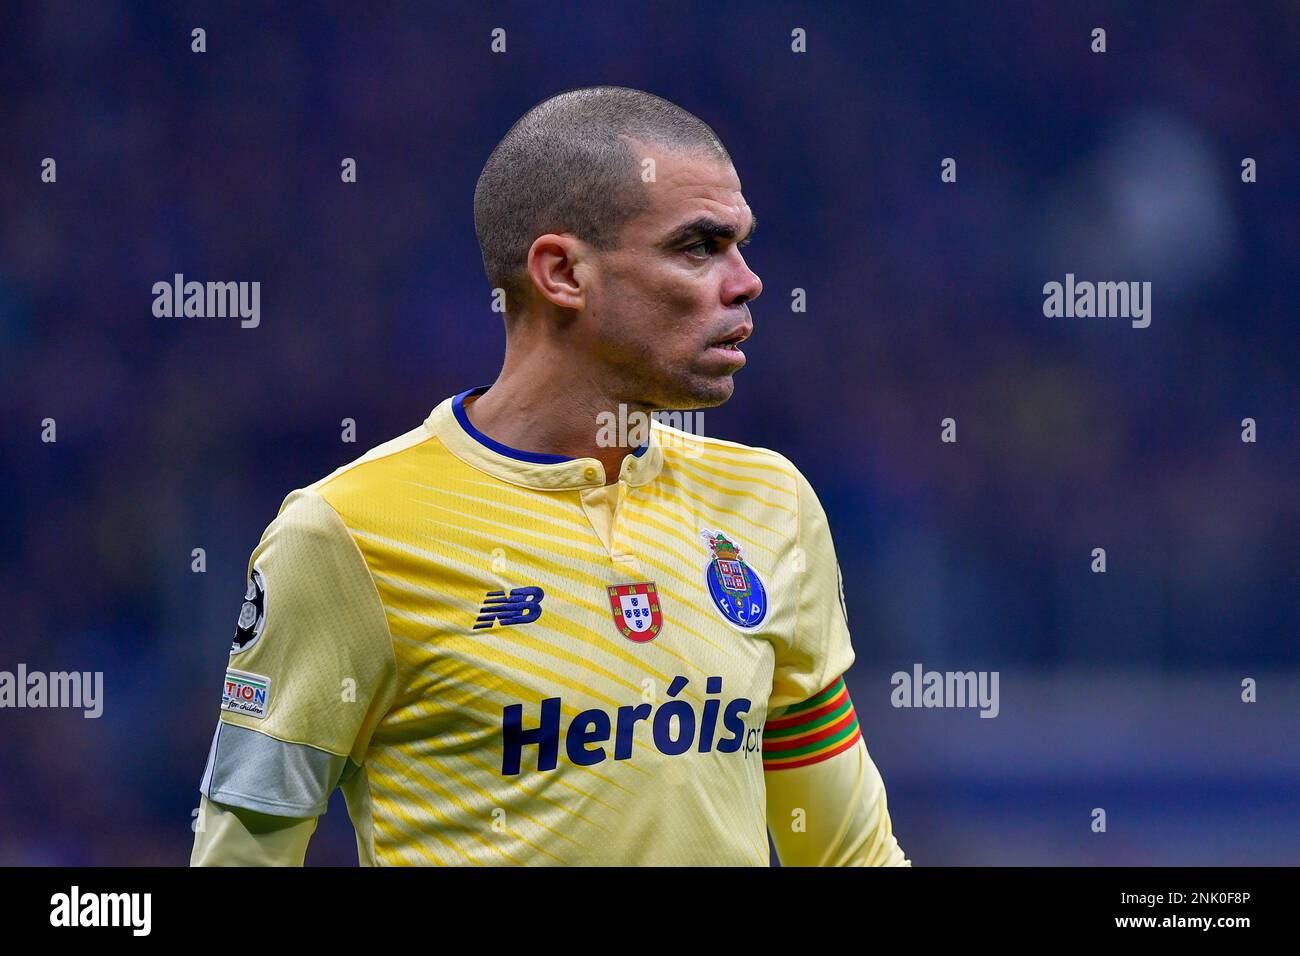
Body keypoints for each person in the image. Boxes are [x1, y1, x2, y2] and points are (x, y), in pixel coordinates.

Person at [191, 86, 908, 866]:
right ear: (563, 272)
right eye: (699, 247)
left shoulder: (770, 504)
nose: (746, 281)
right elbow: (242, 857)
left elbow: (847, 854)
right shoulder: (346, 535)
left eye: (739, 244)